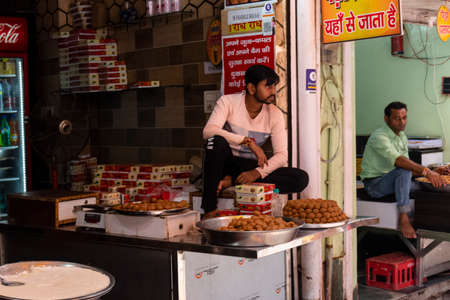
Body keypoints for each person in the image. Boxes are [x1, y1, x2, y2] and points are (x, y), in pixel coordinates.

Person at [201, 65, 309, 215]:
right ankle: (209, 209)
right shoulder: (228, 102)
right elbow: (208, 131)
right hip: (225, 162)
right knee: (215, 142)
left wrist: (257, 172)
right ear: (251, 88)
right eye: (268, 86)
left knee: (300, 178)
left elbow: (282, 155)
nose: (273, 92)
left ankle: (232, 181)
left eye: (274, 86)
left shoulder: (274, 114)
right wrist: (247, 141)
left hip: (248, 166)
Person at [360, 101, 446, 239]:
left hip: (394, 180)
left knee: (424, 185)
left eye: (404, 117)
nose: (402, 122)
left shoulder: (402, 137)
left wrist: (434, 172)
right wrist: (427, 172)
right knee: (404, 171)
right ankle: (403, 219)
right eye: (396, 118)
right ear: (386, 119)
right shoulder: (379, 136)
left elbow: (409, 167)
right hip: (375, 185)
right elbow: (400, 162)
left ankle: (438, 221)